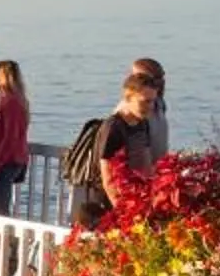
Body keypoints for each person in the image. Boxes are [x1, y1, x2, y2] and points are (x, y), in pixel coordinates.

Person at [69, 70, 163, 232]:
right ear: (128, 98)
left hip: (134, 197)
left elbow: (146, 164)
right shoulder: (113, 128)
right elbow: (108, 178)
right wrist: (124, 212)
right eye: (144, 102)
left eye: (152, 102)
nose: (150, 107)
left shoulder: (142, 124)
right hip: (107, 202)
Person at [0, 60, 32, 217]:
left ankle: (4, 241)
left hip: (6, 160)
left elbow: (8, 136)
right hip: (12, 158)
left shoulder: (8, 101)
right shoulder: (17, 100)